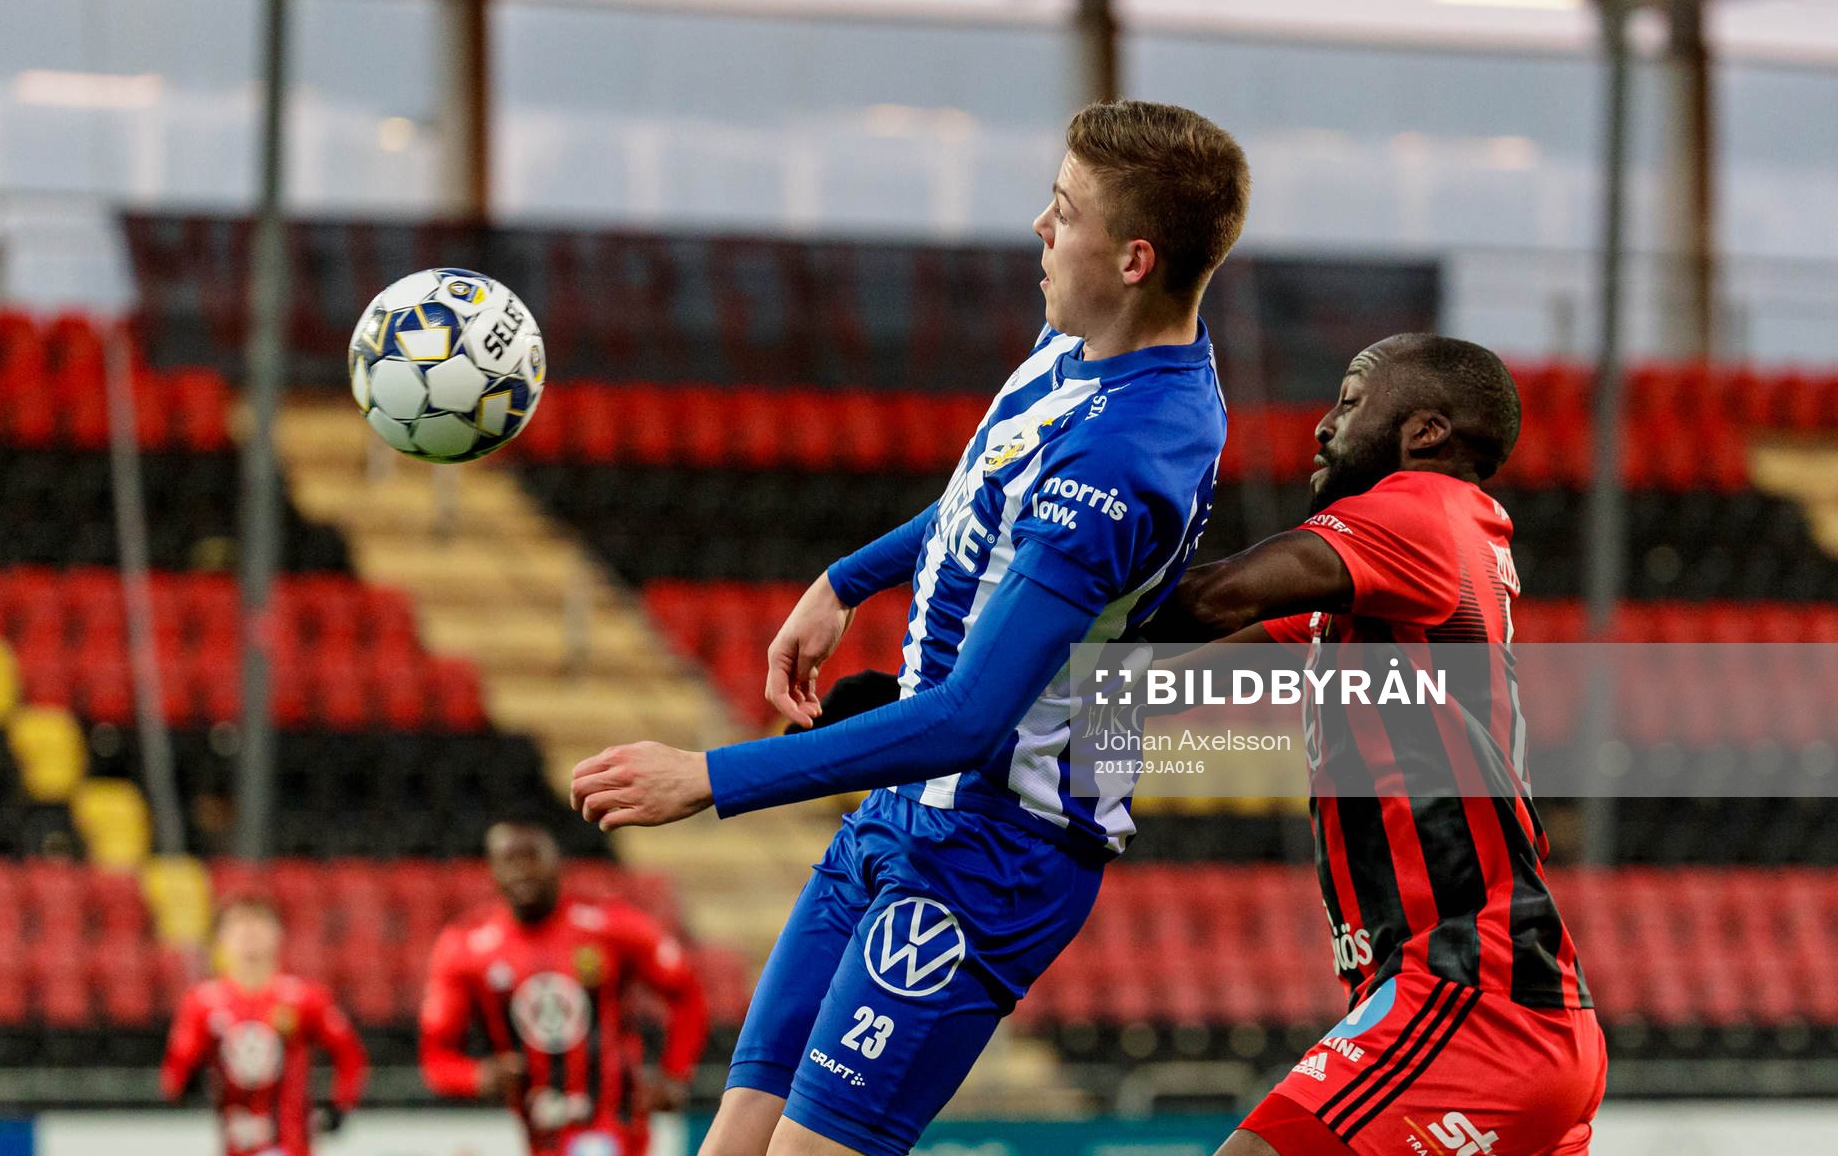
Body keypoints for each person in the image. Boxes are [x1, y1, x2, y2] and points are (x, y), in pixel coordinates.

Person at [570, 101, 1251, 1156]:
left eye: (1063, 212)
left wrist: (711, 777)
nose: (1039, 225)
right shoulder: (1081, 348)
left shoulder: (1131, 452)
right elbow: (988, 496)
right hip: (904, 811)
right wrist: (847, 579)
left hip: (995, 846)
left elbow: (970, 720)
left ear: (1133, 258)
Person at [1152, 333, 1606, 1156]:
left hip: (1469, 1004)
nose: (1323, 425)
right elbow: (1145, 697)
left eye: (1351, 400)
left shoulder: (1417, 510)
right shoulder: (1392, 580)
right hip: (1517, 1011)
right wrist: (936, 708)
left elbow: (1209, 599)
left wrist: (1051, 581)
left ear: (1424, 433)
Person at [419, 818, 709, 1156]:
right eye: (509, 860)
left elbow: (687, 995)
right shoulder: (465, 948)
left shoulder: (611, 926)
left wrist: (675, 1074)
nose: (522, 871)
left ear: (557, 862)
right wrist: (478, 1076)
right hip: (539, 1133)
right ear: (492, 870)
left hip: (615, 1125)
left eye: (532, 857)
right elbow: (436, 1059)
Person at [160, 894, 368, 1156]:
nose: (249, 934)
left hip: (292, 1147)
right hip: (236, 1145)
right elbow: (175, 1073)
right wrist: (189, 1082)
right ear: (222, 937)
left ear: (278, 933)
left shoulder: (304, 997)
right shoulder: (203, 1002)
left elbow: (349, 1054)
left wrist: (340, 1105)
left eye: (259, 924)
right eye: (239, 925)